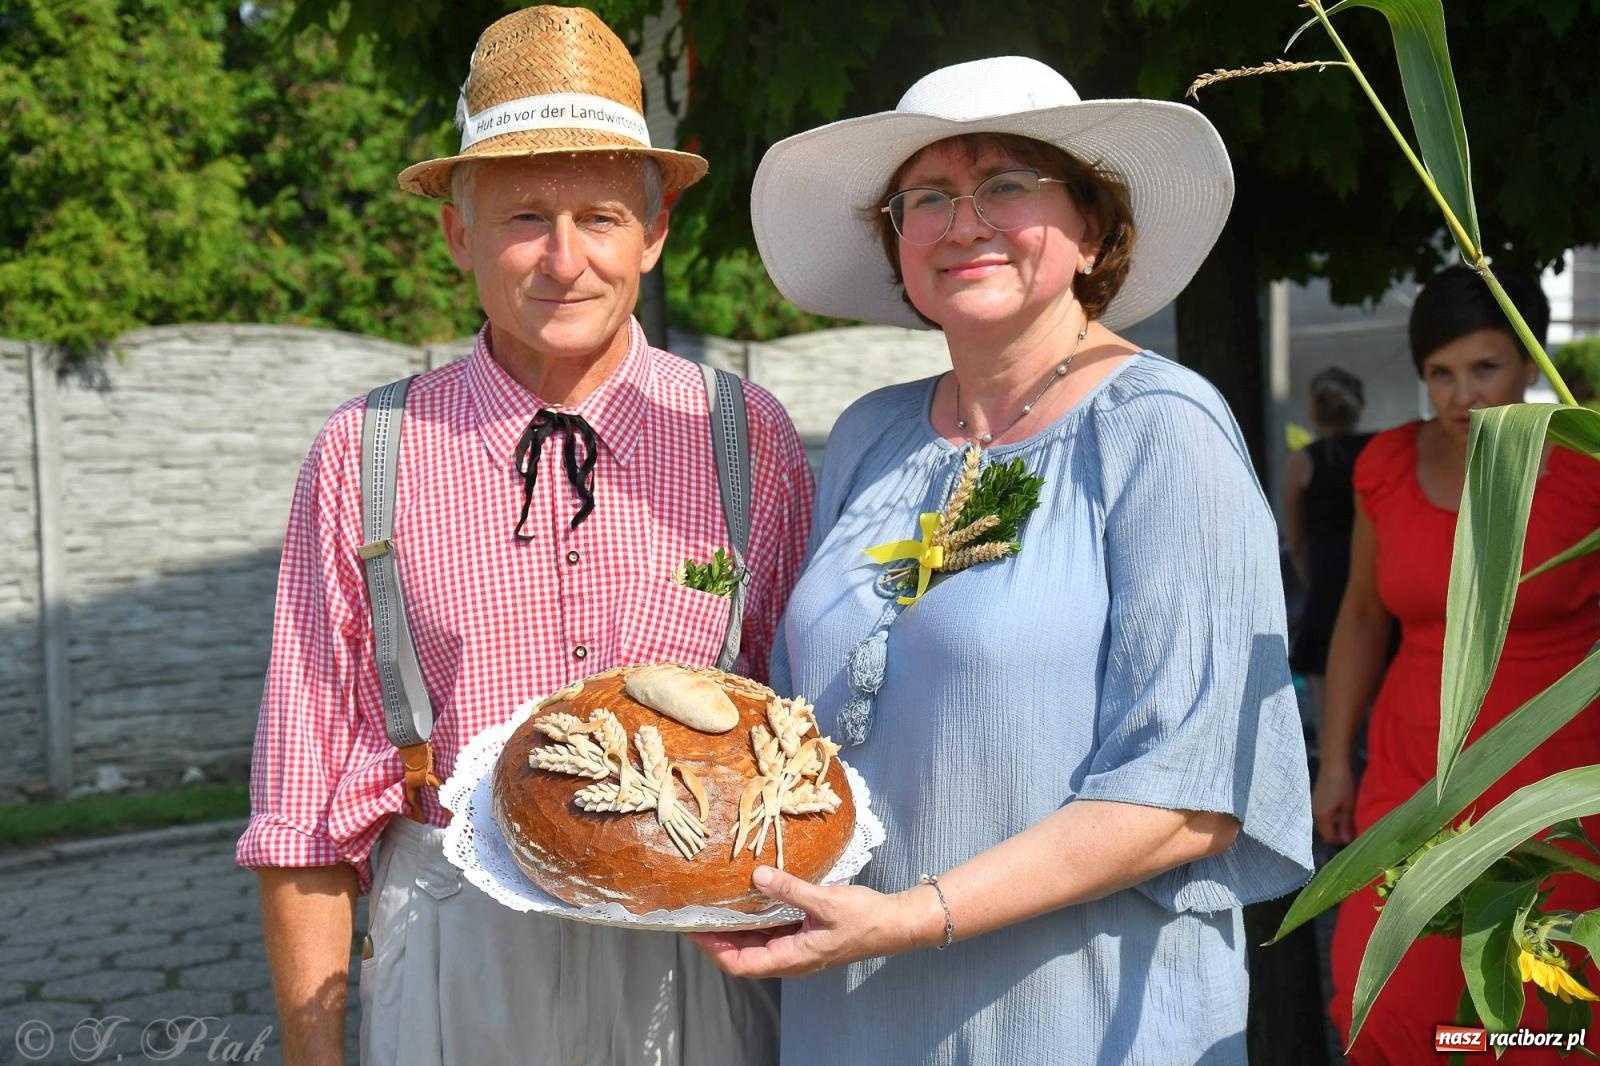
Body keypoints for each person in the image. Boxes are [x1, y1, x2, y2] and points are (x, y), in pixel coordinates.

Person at [690, 56, 1314, 1064]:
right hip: (852, 1012)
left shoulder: (1161, 429)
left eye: (1005, 185)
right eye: (926, 196)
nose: (962, 219)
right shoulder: (870, 436)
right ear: (897, 243)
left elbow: (1189, 796)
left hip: (1078, 1018)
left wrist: (912, 916)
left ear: (1094, 228)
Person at [236, 8, 813, 1065]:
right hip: (458, 935)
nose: (563, 259)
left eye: (599, 215)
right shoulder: (365, 453)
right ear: (459, 232)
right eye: (521, 217)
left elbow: (800, 740)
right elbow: (302, 808)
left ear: (655, 231)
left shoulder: (746, 438)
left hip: (698, 932)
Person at [1316, 264, 1600, 1063]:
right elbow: (1363, 617)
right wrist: (1335, 763)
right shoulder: (1388, 467)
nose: (1460, 395)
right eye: (1439, 373)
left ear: (1529, 359)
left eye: (1485, 368)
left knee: (1537, 1016)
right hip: (1415, 776)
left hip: (1557, 787)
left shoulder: (1588, 466)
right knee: (1389, 995)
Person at [1282, 367, 1372, 752]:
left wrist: (1315, 583)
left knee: (1331, 724)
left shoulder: (1301, 464)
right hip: (1379, 586)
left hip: (1329, 592)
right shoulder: (1379, 452)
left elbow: (1297, 540)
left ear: (1314, 410)